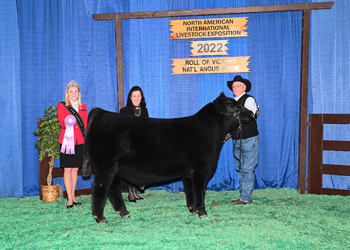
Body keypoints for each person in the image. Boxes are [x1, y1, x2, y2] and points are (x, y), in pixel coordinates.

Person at [227, 75, 259, 205]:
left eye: (238, 85)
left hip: (249, 139)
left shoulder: (249, 99)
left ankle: (246, 197)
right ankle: (243, 195)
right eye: (234, 86)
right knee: (240, 168)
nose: (235, 88)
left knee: (248, 168)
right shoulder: (232, 103)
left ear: (244, 87)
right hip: (236, 139)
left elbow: (250, 116)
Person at [57, 80, 88, 208]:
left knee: (75, 169)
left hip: (80, 142)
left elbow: (85, 125)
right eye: (71, 91)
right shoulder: (62, 106)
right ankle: (69, 198)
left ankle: (73, 196)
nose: (74, 94)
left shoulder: (83, 106)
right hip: (67, 141)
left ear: (78, 93)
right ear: (67, 93)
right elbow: (62, 123)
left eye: (76, 91)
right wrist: (68, 121)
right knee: (67, 169)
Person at [120, 86, 149, 202]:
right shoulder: (124, 111)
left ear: (141, 97)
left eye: (138, 96)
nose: (136, 98)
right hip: (129, 144)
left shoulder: (145, 110)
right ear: (130, 98)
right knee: (129, 168)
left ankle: (135, 191)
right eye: (134, 96)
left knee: (137, 168)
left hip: (141, 144)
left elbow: (148, 128)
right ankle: (130, 193)